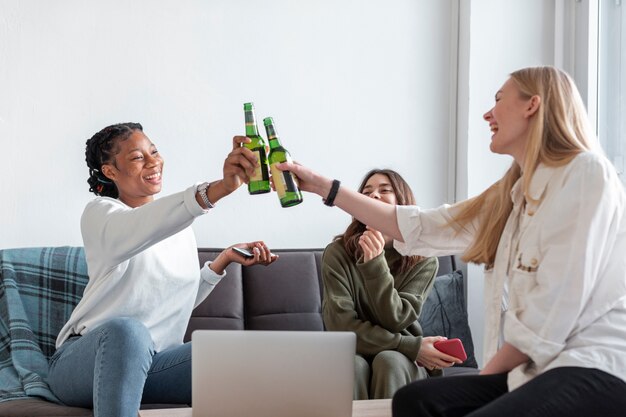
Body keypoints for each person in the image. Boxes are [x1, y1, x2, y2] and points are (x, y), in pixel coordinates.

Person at [277, 66, 626, 416]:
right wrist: (324, 186)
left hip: (593, 364)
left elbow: (554, 309)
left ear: (531, 106)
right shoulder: (511, 194)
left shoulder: (585, 173)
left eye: (498, 100)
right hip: (537, 369)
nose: (487, 113)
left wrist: (485, 379)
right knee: (414, 400)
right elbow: (423, 226)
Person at [47, 122, 278, 417]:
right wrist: (219, 189)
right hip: (86, 363)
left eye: (153, 152)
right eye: (137, 157)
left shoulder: (180, 228)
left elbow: (171, 302)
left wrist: (222, 261)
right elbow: (141, 226)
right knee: (129, 332)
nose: (153, 161)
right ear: (110, 171)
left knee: (231, 352)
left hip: (153, 364)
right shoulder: (101, 215)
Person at [322, 168, 460, 400]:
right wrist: (411, 346)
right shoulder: (337, 253)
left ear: (402, 203)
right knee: (351, 365)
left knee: (390, 360)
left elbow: (396, 318)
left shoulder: (423, 259)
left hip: (401, 362)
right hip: (361, 351)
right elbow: (340, 326)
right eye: (367, 192)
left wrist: (374, 264)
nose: (374, 195)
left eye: (384, 190)